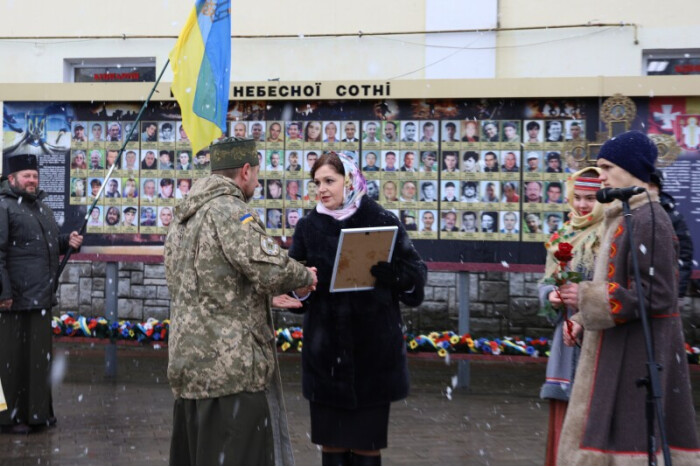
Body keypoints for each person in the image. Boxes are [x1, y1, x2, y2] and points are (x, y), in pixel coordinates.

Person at [164, 138, 316, 465]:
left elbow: (196, 284)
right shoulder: (231, 211)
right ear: (245, 171)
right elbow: (270, 267)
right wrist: (306, 276)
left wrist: (260, 298)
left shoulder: (181, 217)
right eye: (257, 174)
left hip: (188, 369)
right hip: (230, 372)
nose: (258, 183)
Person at [557, 131, 700, 465]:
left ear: (631, 167)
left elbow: (659, 295)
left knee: (631, 442)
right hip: (619, 344)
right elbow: (618, 285)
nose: (601, 176)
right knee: (614, 436)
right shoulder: (626, 214)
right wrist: (581, 319)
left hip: (639, 351)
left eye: (607, 166)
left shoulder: (650, 218)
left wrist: (588, 298)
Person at [288, 152, 426, 466]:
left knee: (366, 446)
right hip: (326, 359)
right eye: (317, 182)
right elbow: (294, 290)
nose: (321, 189)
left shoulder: (382, 220)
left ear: (349, 181)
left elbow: (416, 278)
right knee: (332, 447)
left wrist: (397, 277)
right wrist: (300, 286)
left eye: (329, 181)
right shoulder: (308, 227)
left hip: (373, 357)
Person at [0, 154, 84, 433]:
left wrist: (67, 241)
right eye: (27, 176)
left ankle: (37, 413)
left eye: (35, 176)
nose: (32, 180)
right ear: (12, 179)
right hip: (13, 302)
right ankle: (10, 418)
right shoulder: (3, 207)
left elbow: (44, 247)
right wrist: (4, 292)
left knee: (38, 361)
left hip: (40, 298)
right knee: (11, 362)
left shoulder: (42, 209)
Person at [537, 167, 604, 465]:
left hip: (598, 337)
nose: (582, 205)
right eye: (576, 197)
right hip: (565, 340)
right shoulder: (563, 234)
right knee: (565, 420)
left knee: (593, 414)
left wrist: (586, 295)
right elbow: (546, 282)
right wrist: (549, 296)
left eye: (590, 198)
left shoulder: (608, 233)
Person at [648, 169, 694, 297]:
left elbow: (684, 256)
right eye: (645, 186)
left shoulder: (673, 217)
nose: (648, 190)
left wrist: (678, 293)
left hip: (666, 290)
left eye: (652, 186)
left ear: (659, 189)